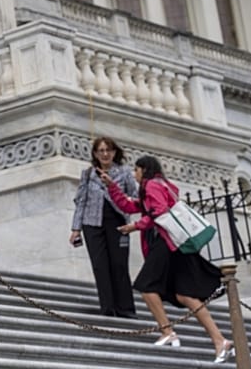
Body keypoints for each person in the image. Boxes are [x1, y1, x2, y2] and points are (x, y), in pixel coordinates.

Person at [103, 154, 233, 362]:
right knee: (186, 296)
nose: (134, 174)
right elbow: (131, 206)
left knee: (146, 286)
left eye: (136, 170)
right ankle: (220, 341)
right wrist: (112, 187)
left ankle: (167, 332)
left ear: (144, 169)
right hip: (176, 245)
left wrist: (136, 226)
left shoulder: (152, 185)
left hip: (166, 243)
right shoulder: (159, 185)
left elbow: (159, 211)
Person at [69, 136, 138, 317]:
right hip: (92, 223)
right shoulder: (88, 174)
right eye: (101, 150)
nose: (105, 154)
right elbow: (81, 201)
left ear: (114, 152)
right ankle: (107, 307)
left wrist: (112, 187)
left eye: (108, 150)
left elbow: (135, 197)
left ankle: (125, 308)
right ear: (95, 153)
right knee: (100, 266)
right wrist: (75, 229)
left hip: (118, 223)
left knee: (119, 264)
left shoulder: (124, 172)